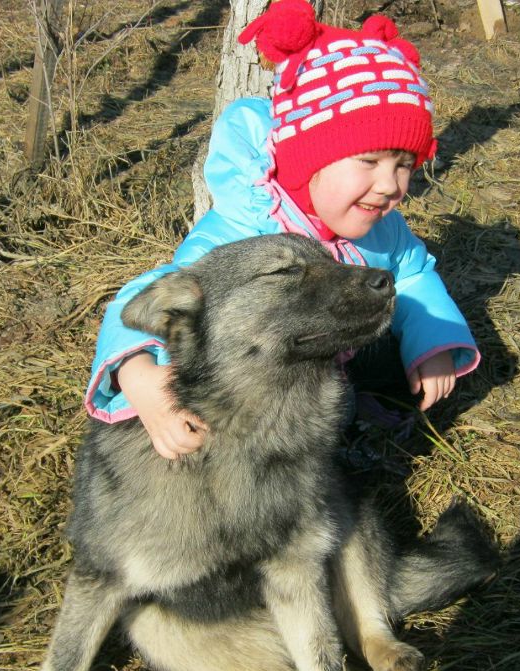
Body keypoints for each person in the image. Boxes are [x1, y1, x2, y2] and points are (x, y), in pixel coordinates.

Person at [84, 0, 481, 459]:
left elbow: (413, 274)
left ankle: (363, 403)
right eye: (369, 162)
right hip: (272, 377)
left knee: (392, 354)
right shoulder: (246, 228)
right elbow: (155, 295)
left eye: (405, 165)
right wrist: (137, 376)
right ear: (307, 159)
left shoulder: (381, 226)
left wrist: (431, 343)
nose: (390, 185)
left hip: (338, 346)